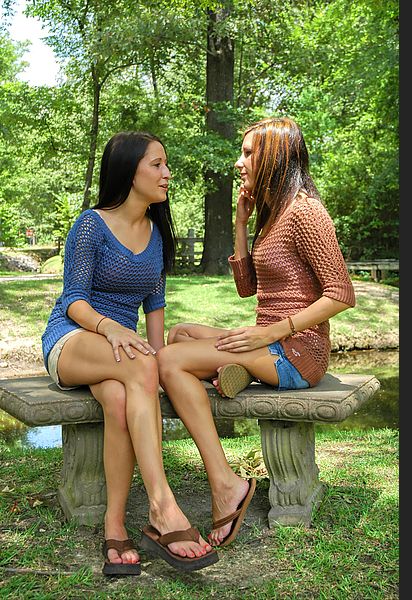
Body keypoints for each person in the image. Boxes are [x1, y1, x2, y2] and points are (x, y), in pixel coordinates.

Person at [156, 116, 356, 547]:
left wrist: (271, 334)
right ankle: (239, 368)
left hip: (298, 352)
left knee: (170, 360)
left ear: (276, 156)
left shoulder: (305, 212)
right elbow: (248, 289)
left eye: (249, 153)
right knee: (180, 335)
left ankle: (226, 485)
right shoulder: (276, 211)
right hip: (269, 339)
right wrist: (243, 223)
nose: (239, 162)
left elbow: (340, 293)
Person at [41, 131, 218, 575]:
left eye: (166, 164)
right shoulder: (91, 224)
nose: (167, 174)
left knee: (124, 396)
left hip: (123, 355)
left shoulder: (157, 235)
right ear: (129, 169)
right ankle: (162, 506)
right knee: (139, 363)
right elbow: (74, 299)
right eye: (157, 164)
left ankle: (115, 527)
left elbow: (154, 319)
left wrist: (171, 367)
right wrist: (112, 327)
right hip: (75, 337)